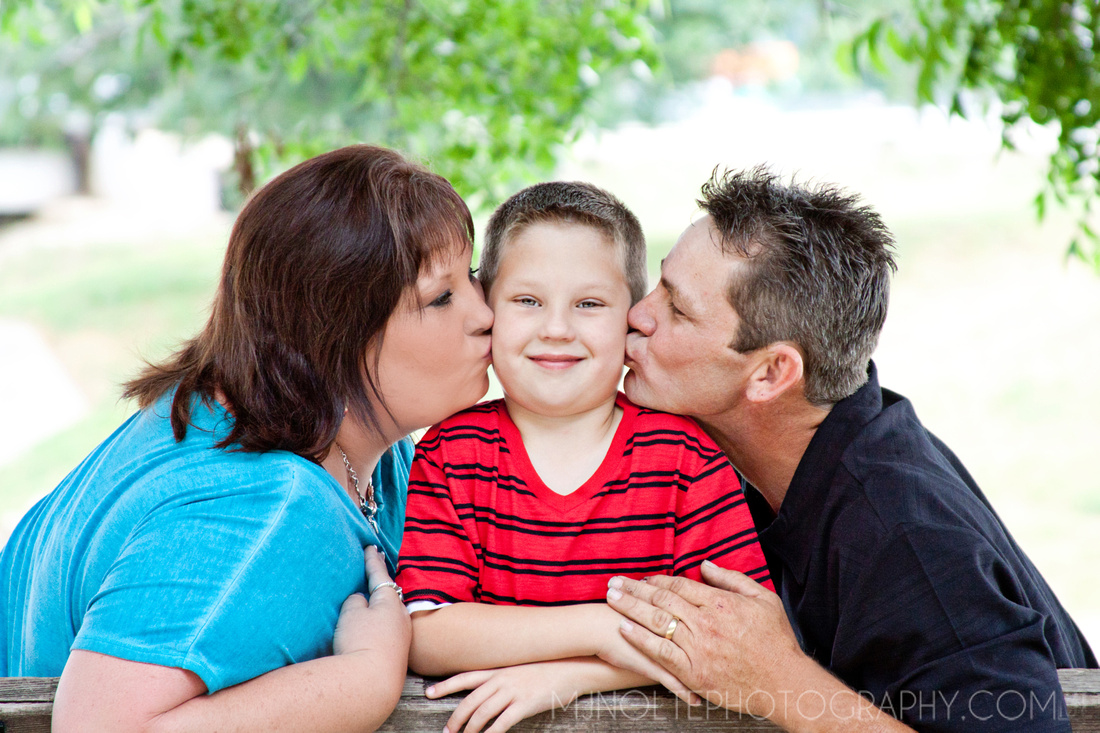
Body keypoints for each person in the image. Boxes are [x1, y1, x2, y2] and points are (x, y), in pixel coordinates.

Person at [0, 145, 494, 732]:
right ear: (333, 336)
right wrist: (366, 676)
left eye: (469, 276)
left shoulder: (244, 416)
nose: (485, 311)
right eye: (441, 297)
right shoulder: (265, 506)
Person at [604, 167, 1097, 732]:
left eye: (677, 308)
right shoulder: (785, 458)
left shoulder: (904, 536)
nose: (637, 315)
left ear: (770, 374)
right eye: (659, 284)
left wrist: (777, 679)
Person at [394, 181, 772, 732]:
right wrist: (601, 628)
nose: (556, 329)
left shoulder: (684, 457)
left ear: (632, 318)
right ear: (488, 307)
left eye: (589, 304)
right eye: (527, 301)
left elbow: (728, 635)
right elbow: (429, 635)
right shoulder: (454, 453)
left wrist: (571, 676)